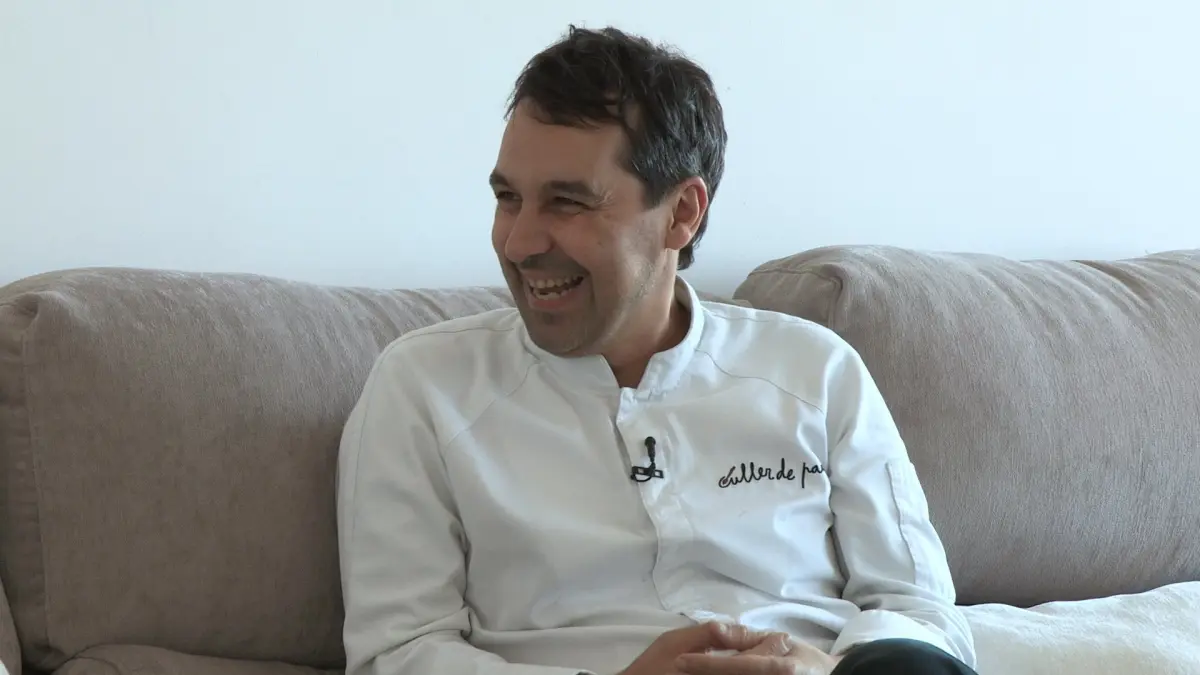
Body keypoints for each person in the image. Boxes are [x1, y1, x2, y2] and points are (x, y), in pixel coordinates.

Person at [336, 25, 978, 675]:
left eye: (567, 202)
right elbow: (397, 652)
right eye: (508, 198)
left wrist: (822, 668)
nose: (520, 243)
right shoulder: (424, 386)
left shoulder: (815, 370)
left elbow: (923, 615)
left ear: (681, 213)